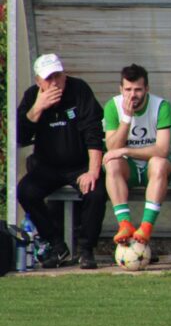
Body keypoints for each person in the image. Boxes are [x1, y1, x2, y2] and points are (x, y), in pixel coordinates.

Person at [16, 53, 107, 269]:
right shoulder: (31, 97)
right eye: (49, 78)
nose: (55, 82)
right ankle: (57, 245)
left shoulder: (79, 90)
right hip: (47, 166)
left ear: (65, 75)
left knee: (96, 192)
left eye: (58, 75)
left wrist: (93, 171)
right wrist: (38, 108)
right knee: (26, 192)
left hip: (80, 165)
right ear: (39, 82)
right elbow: (19, 137)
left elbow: (94, 132)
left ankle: (86, 250)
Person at [102, 64, 171, 245]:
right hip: (130, 168)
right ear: (121, 89)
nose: (132, 95)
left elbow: (162, 150)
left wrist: (126, 150)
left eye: (138, 89)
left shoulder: (161, 106)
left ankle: (146, 227)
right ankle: (125, 224)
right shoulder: (113, 106)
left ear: (147, 89)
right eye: (127, 89)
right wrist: (126, 118)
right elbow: (112, 148)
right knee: (112, 163)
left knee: (158, 162)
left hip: (157, 166)